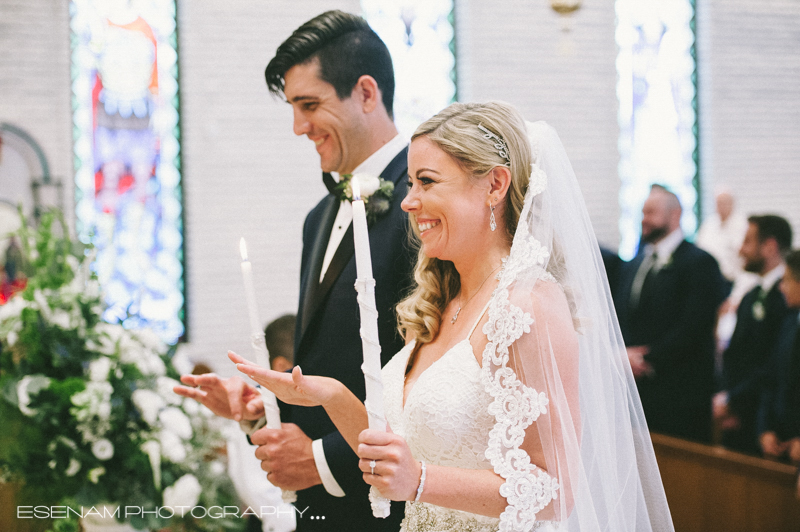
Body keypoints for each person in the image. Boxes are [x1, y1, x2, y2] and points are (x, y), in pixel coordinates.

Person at [233, 101, 674, 531]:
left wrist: (421, 481)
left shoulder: (529, 305)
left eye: (426, 181)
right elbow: (395, 449)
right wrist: (330, 396)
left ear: (495, 185)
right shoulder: (442, 300)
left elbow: (556, 490)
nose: (409, 201)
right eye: (409, 183)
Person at [175, 11, 413, 531]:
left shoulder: (426, 203)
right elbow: (336, 358)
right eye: (293, 108)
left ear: (366, 93)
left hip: (389, 508)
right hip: (320, 512)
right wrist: (268, 405)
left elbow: (429, 379)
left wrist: (324, 459)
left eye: (310, 105)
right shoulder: (319, 217)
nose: (298, 126)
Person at [616, 185, 726, 443]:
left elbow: (694, 326)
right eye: (643, 213)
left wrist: (646, 357)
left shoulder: (700, 263)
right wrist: (621, 353)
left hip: (680, 394)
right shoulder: (636, 262)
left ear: (675, 215)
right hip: (637, 392)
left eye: (651, 212)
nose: (644, 219)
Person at [714, 215, 793, 454]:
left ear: (769, 247)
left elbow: (776, 365)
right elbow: (735, 354)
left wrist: (735, 403)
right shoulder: (750, 296)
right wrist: (729, 401)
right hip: (737, 415)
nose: (740, 250)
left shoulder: (787, 300)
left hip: (767, 424)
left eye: (747, 242)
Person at [758, 249, 800, 464]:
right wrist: (765, 429)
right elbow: (771, 379)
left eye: (787, 280)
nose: (781, 287)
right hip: (780, 446)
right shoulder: (789, 323)